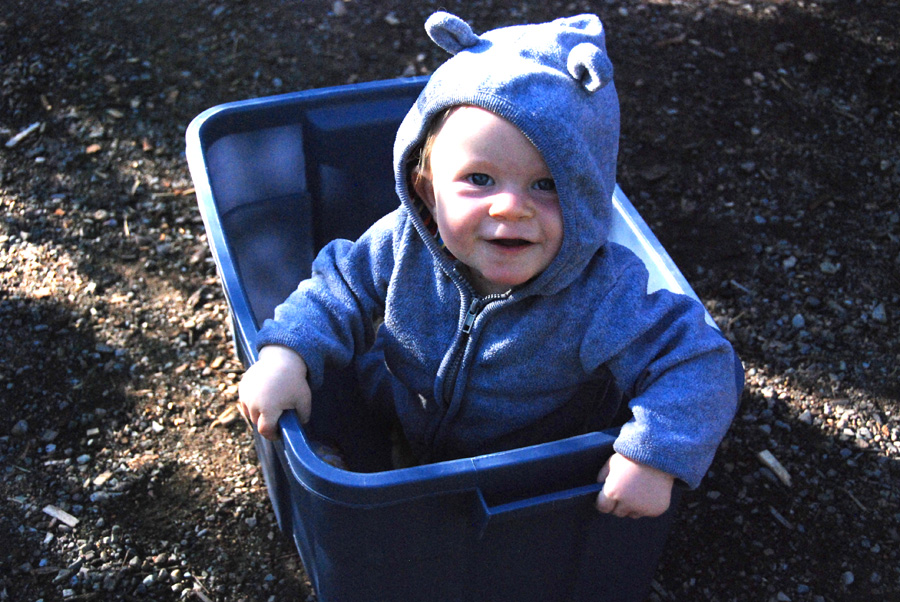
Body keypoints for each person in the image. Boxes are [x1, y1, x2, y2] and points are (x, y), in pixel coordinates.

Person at [238, 12, 740, 519]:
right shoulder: (405, 241)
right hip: (404, 411)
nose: (511, 208)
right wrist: (286, 354)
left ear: (588, 200)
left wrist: (652, 454)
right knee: (358, 440)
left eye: (547, 185)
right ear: (427, 190)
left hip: (527, 474)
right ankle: (373, 467)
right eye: (479, 179)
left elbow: (701, 362)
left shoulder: (602, 292)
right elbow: (338, 284)